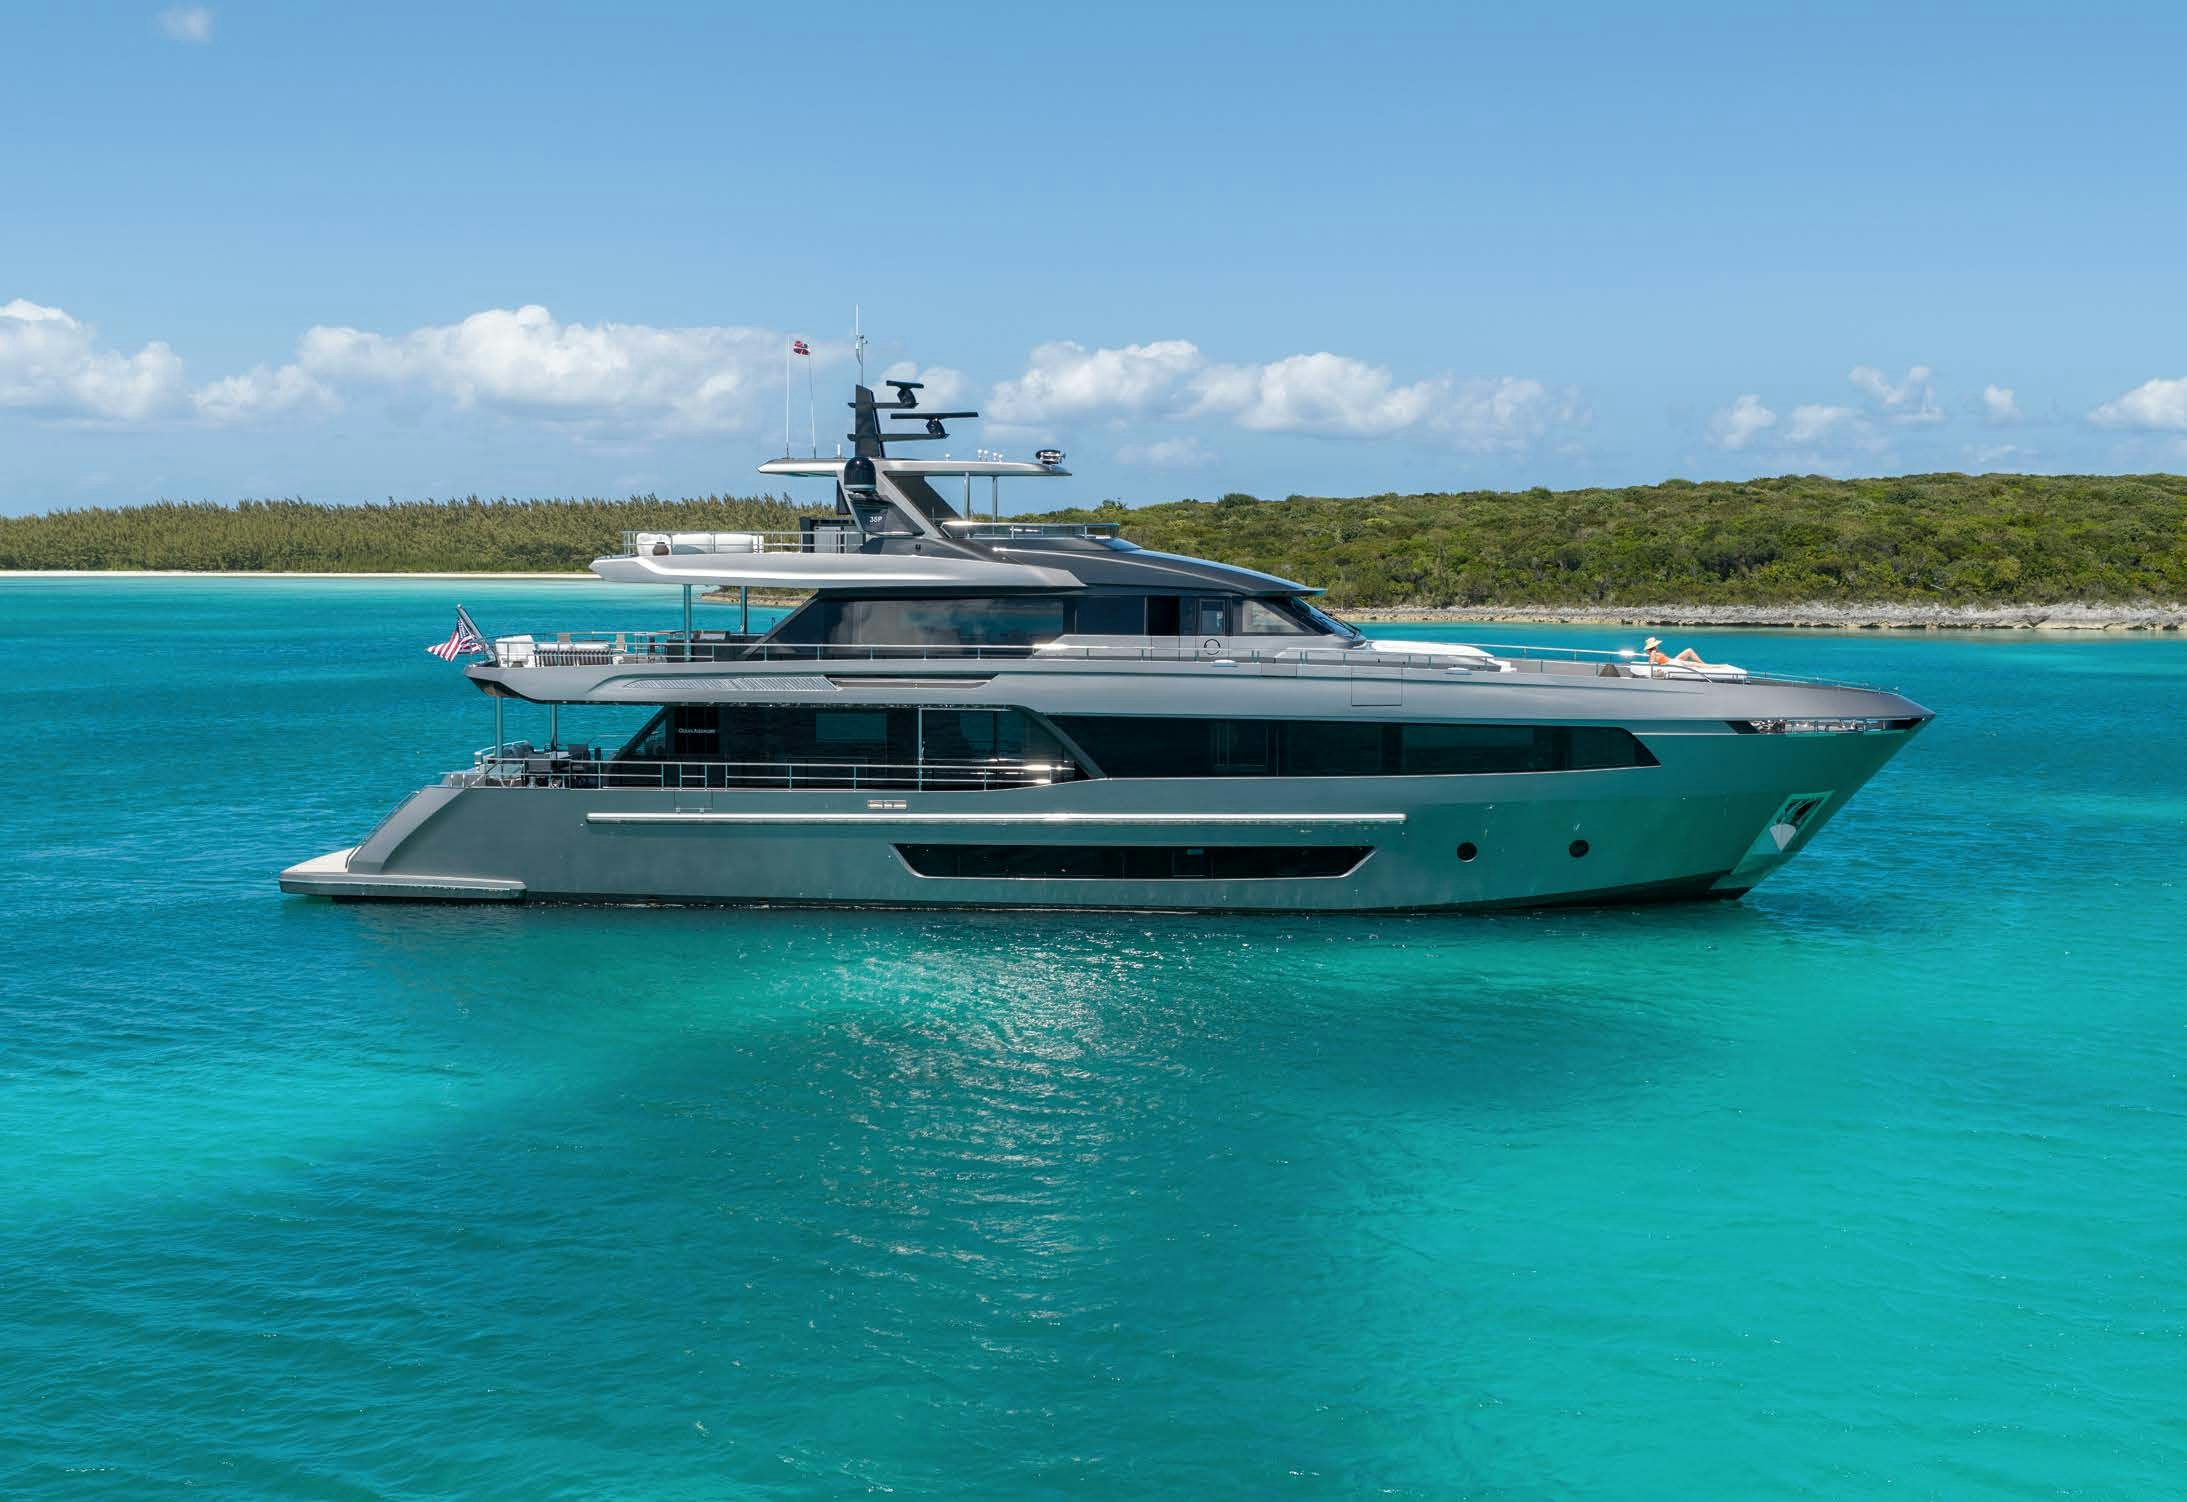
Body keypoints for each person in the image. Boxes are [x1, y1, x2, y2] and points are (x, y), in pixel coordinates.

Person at [1643, 636, 1707, 666]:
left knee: (1689, 650)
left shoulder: (1654, 652)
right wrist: (1663, 665)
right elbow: (1651, 664)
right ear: (1654, 645)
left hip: (1672, 661)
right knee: (1695, 664)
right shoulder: (1653, 652)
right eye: (1656, 644)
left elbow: (1654, 660)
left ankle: (1703, 664)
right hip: (1672, 663)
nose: (1658, 645)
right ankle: (1706, 666)